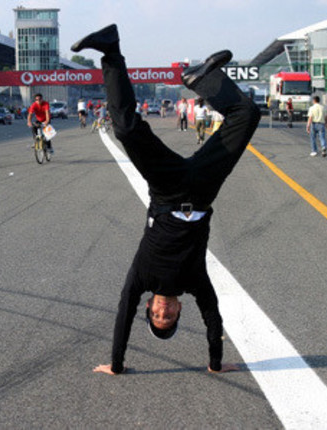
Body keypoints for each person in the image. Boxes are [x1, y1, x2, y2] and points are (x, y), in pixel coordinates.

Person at [71, 24, 260, 375]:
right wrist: (215, 363)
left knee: (126, 129)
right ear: (178, 312)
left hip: (167, 189)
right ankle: (205, 79)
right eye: (168, 317)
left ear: (148, 308)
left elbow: (123, 313)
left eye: (156, 316)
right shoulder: (194, 281)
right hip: (202, 189)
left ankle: (110, 50)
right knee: (247, 115)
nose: (164, 312)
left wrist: (116, 364)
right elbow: (213, 316)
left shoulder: (141, 276)